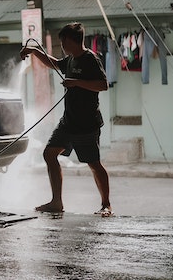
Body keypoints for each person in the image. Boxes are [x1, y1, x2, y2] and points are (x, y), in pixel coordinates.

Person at [20, 22, 112, 216]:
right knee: (49, 153)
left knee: (94, 163)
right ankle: (56, 202)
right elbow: (54, 63)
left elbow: (103, 85)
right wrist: (35, 51)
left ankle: (106, 204)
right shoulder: (70, 60)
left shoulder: (90, 59)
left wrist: (77, 82)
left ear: (72, 41)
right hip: (68, 121)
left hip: (86, 123)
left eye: (63, 41)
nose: (62, 45)